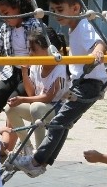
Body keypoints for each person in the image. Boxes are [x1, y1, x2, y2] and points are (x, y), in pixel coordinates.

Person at [11, 0, 107, 177]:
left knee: (59, 122)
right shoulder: (74, 28)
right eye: (53, 11)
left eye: (60, 10)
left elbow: (99, 40)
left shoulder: (83, 25)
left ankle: (36, 161)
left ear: (75, 8)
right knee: (63, 123)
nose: (57, 15)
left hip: (89, 84)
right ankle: (41, 162)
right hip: (81, 83)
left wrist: (98, 51)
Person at [0, 0, 45, 130]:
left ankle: (8, 144)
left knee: (12, 104)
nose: (4, 18)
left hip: (29, 73)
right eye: (1, 15)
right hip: (12, 71)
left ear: (18, 6)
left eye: (6, 13)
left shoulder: (33, 25)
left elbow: (42, 52)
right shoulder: (6, 28)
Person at [5, 25, 70, 154]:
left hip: (57, 110)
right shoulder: (36, 66)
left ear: (50, 50)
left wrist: (22, 99)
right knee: (9, 108)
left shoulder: (61, 69)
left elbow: (48, 97)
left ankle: (41, 152)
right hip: (40, 109)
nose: (30, 53)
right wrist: (24, 71)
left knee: (36, 107)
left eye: (34, 49)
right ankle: (27, 146)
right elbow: (32, 94)